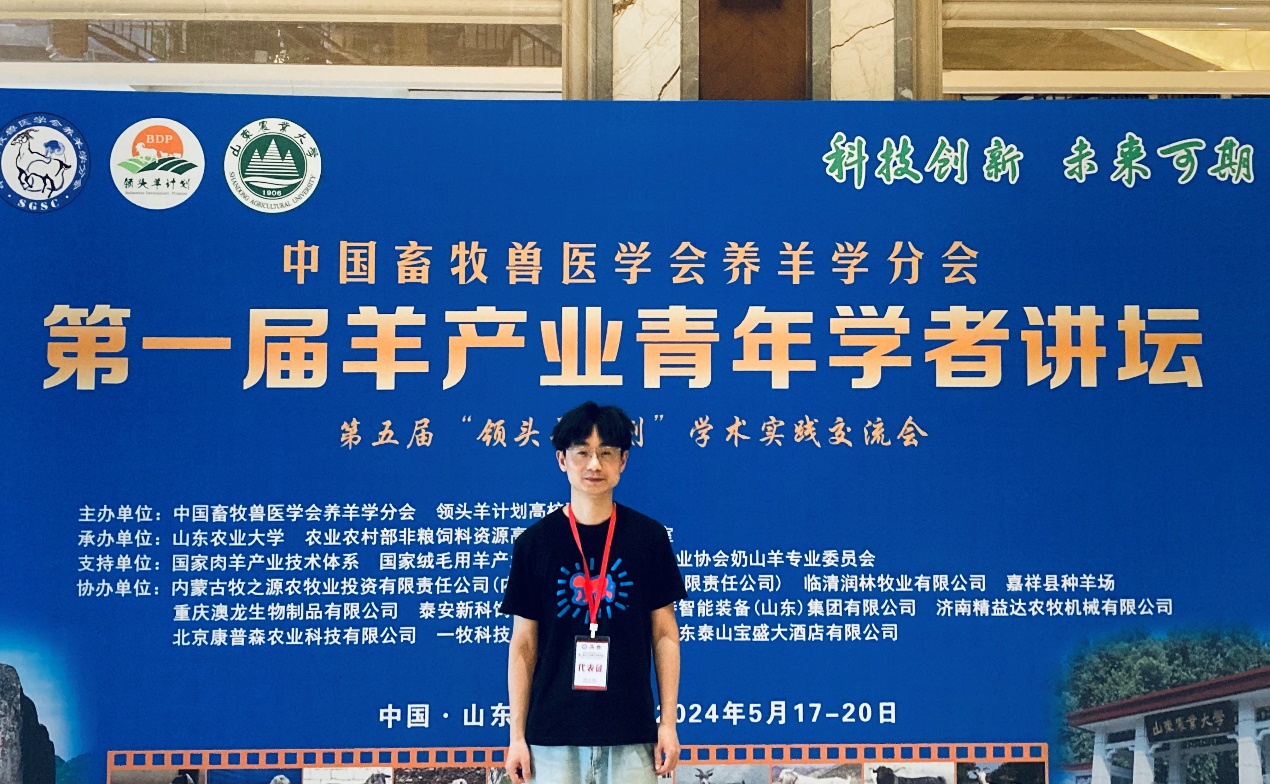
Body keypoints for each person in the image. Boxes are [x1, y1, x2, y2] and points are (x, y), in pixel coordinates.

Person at [500, 401, 686, 784]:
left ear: (623, 461)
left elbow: (665, 633)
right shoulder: (534, 543)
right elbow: (523, 644)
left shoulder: (648, 538)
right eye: (582, 453)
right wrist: (516, 736)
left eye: (606, 453)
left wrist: (667, 723)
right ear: (562, 460)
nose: (594, 465)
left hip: (631, 735)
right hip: (551, 739)